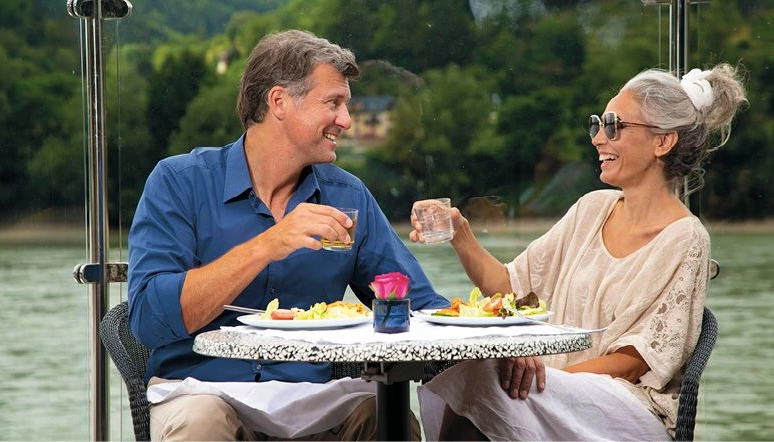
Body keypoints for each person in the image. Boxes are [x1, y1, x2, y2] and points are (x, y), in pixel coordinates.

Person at [127, 29, 449, 441]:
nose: (346, 121)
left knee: (386, 416)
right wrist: (268, 245)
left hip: (309, 397)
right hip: (201, 389)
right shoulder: (179, 182)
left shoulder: (347, 197)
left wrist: (497, 344)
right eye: (333, 103)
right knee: (202, 422)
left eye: (346, 105)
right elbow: (149, 320)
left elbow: (416, 305)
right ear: (279, 101)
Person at [411, 64, 747, 440]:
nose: (598, 138)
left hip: (627, 404)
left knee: (491, 384)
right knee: (477, 373)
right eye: (597, 125)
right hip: (557, 387)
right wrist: (461, 233)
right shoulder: (592, 209)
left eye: (614, 126)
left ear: (662, 142)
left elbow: (633, 363)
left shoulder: (685, 239)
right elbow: (509, 288)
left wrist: (541, 381)